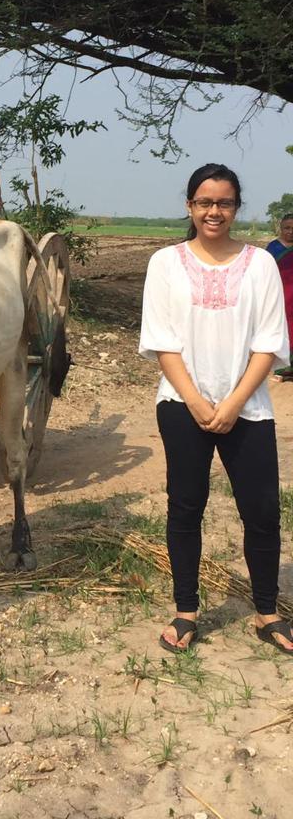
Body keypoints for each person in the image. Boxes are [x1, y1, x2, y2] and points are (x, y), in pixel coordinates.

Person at [139, 163, 293, 654]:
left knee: (263, 510)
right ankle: (186, 611)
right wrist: (198, 401)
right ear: (189, 206)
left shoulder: (260, 264)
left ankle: (266, 611)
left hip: (247, 407)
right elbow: (162, 342)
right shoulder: (165, 263)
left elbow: (268, 343)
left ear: (235, 208)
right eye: (204, 202)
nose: (214, 211)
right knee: (186, 507)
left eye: (224, 203)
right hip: (182, 405)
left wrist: (231, 403)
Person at [266, 214, 293, 378]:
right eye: (287, 228)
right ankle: (282, 367)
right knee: (281, 327)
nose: (290, 231)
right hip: (280, 295)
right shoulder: (273, 248)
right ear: (281, 229)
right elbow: (265, 272)